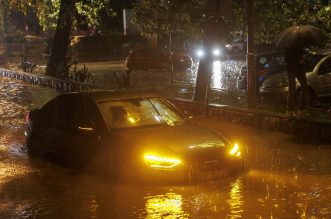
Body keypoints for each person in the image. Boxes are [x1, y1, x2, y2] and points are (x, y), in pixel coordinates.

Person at [284, 47, 309, 116]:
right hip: (291, 69)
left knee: (305, 87)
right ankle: (290, 110)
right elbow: (286, 59)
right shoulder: (288, 46)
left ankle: (302, 109)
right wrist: (298, 60)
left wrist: (303, 59)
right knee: (292, 88)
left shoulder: (300, 44)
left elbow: (301, 56)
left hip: (300, 68)